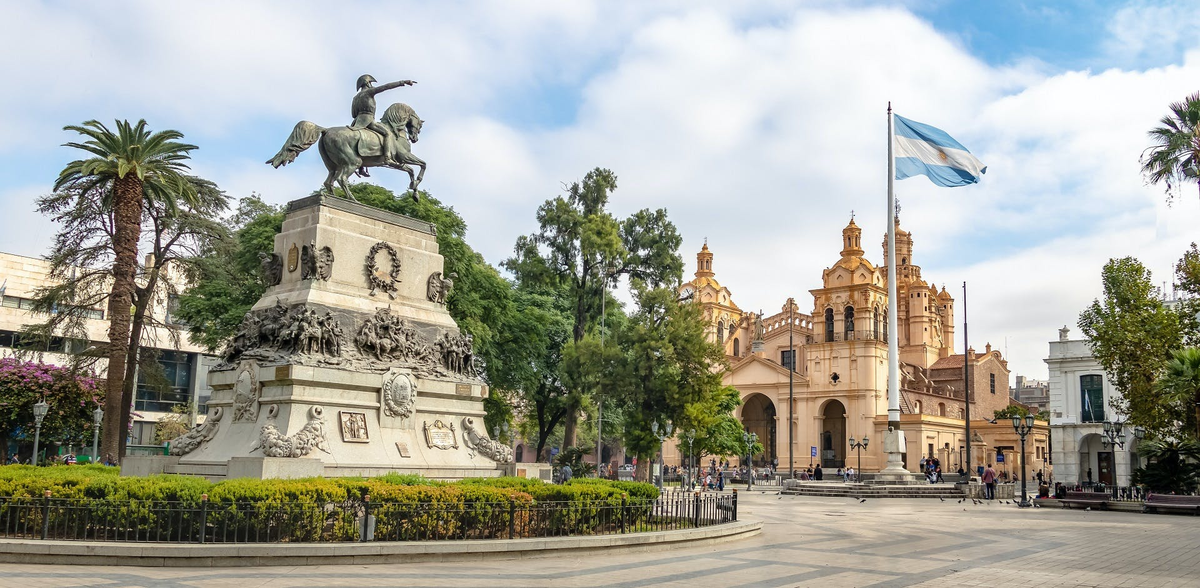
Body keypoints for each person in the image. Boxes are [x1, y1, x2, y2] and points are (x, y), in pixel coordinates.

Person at [349, 74, 417, 169]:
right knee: (388, 134)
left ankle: (361, 167)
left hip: (356, 122)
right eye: (370, 83)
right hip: (368, 121)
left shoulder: (355, 98)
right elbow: (386, 87)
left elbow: (353, 113)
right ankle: (387, 157)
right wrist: (403, 82)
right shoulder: (369, 92)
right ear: (367, 83)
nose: (371, 85)